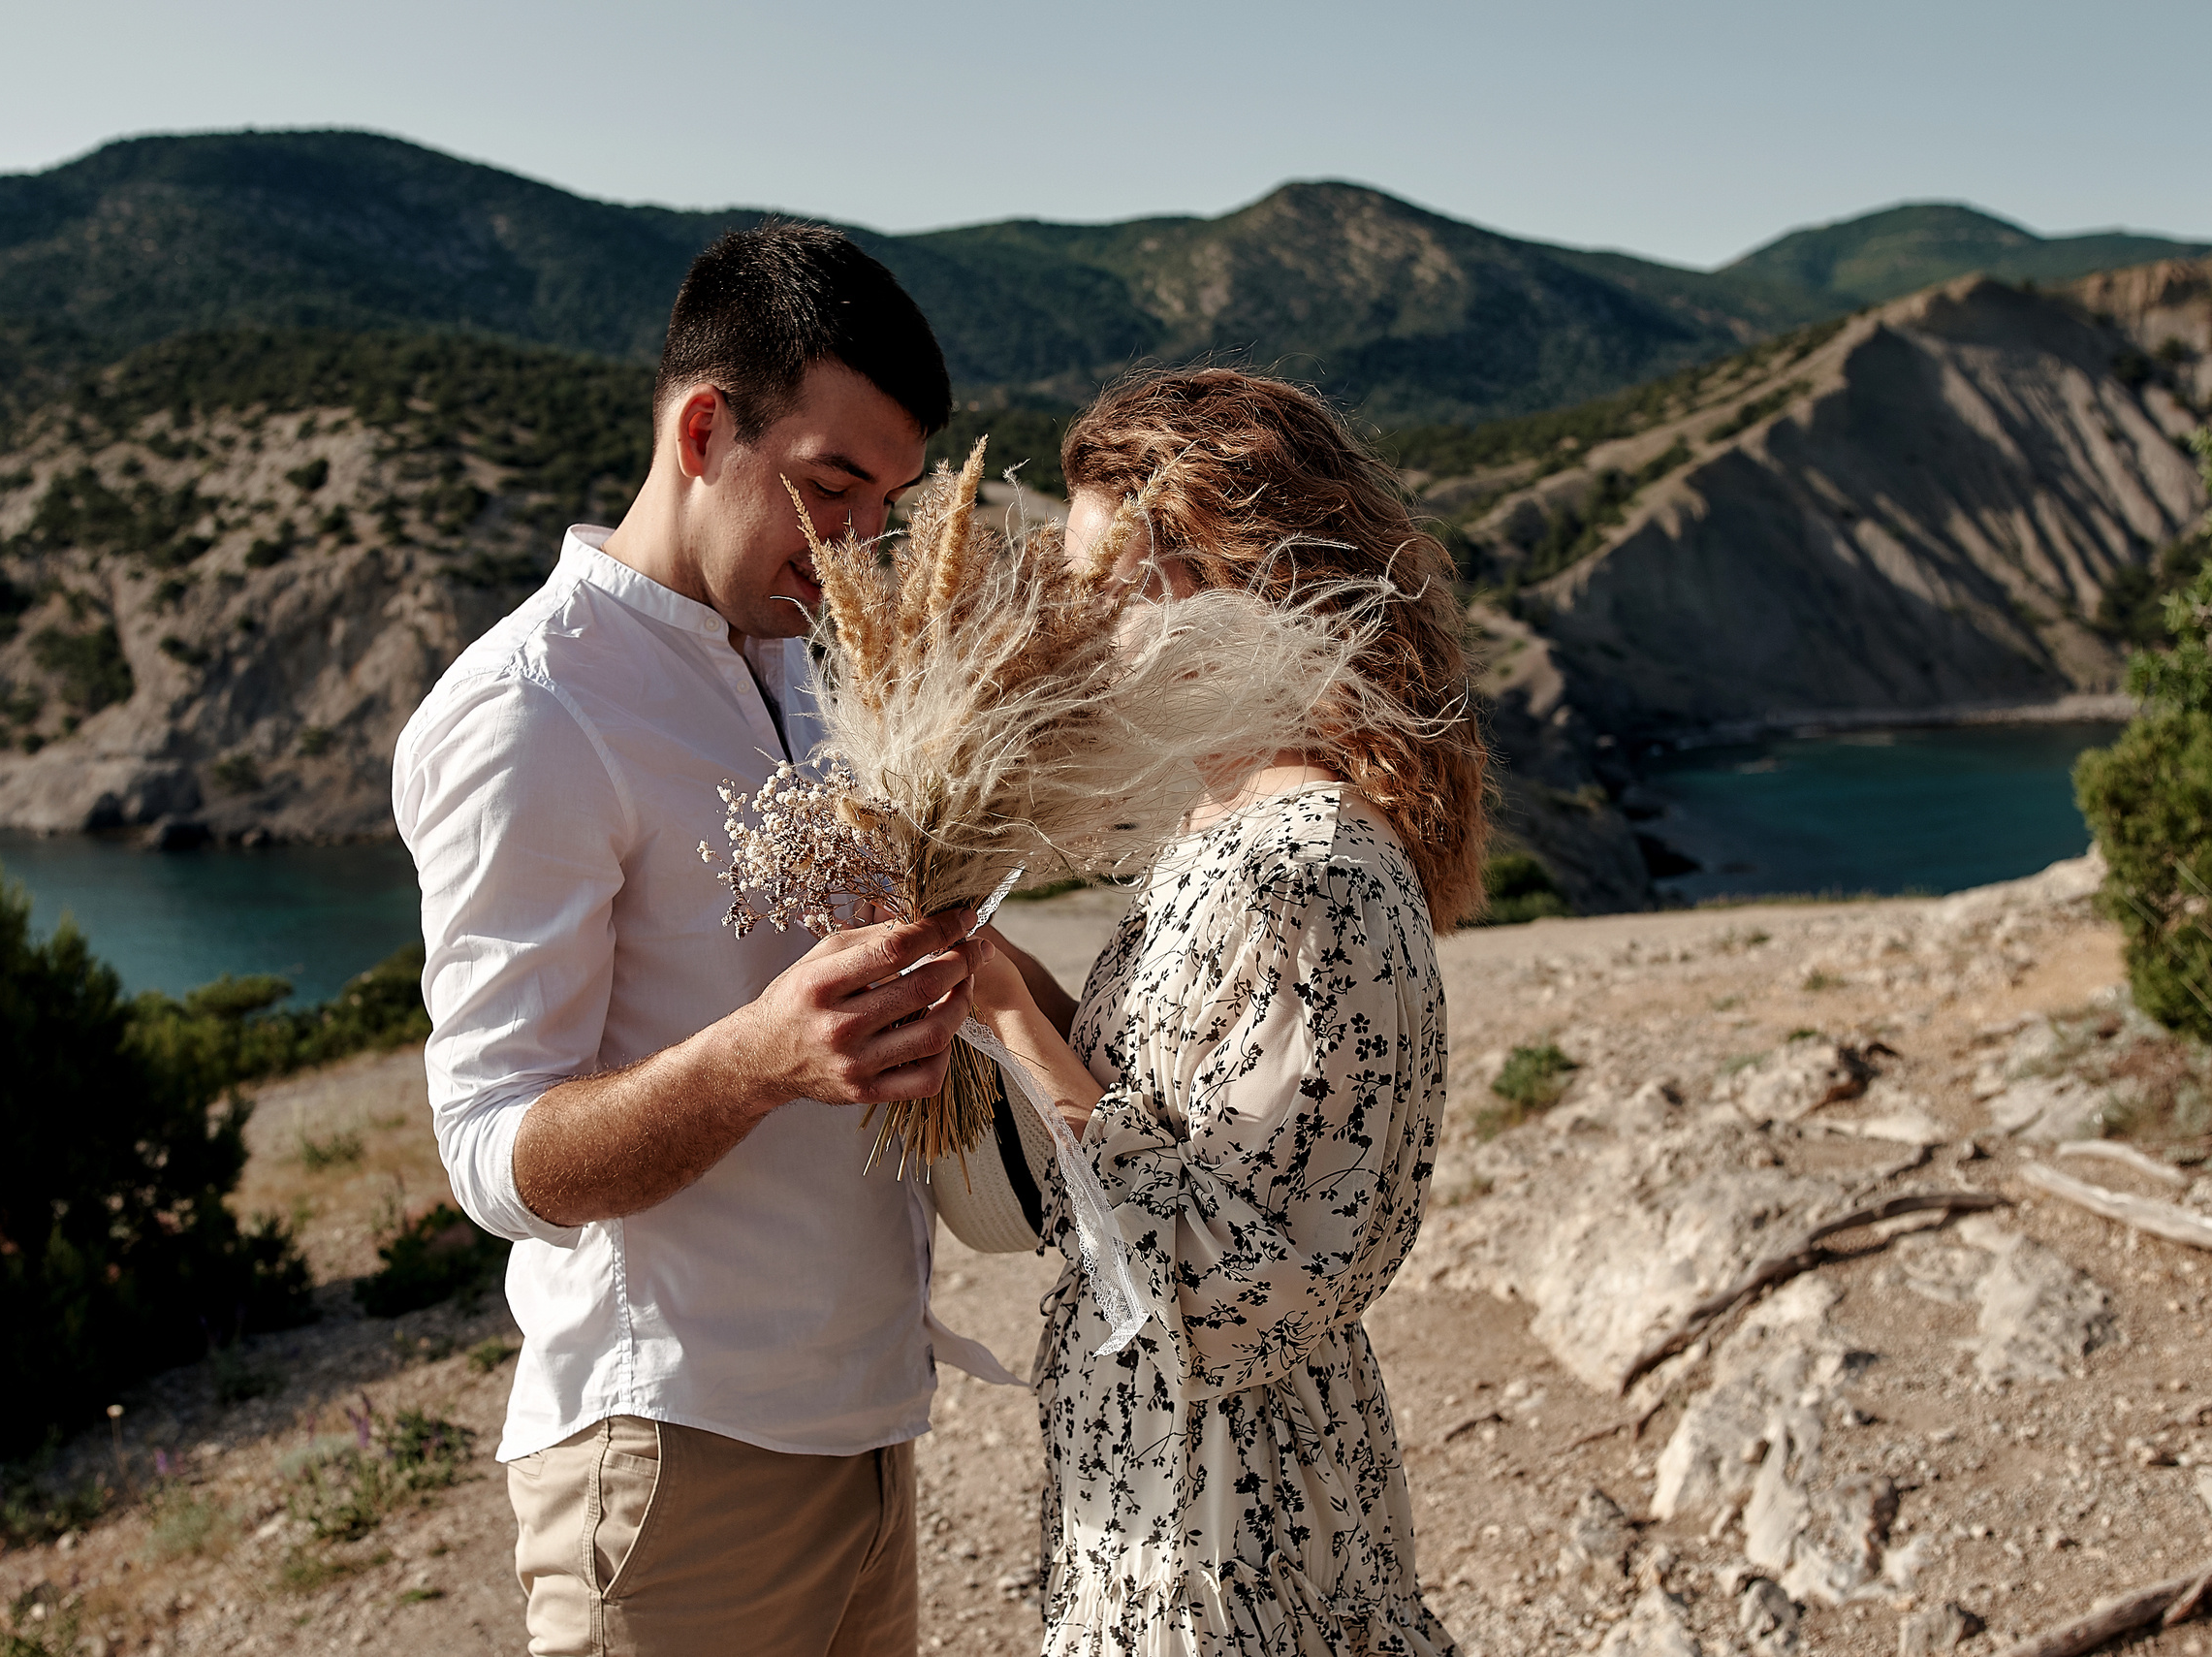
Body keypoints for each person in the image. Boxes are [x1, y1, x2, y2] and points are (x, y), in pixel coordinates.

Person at [393, 221, 988, 1657]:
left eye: (887, 503)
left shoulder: (804, 667)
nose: (860, 550)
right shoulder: (533, 710)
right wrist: (757, 1059)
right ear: (704, 429)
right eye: (831, 487)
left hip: (863, 1432)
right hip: (674, 1456)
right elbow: (491, 1155)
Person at [967, 369, 1486, 1656]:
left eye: (1109, 592)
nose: (1079, 635)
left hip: (1232, 1543)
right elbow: (1142, 1114)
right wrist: (981, 963)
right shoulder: (1228, 829)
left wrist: (1006, 1016)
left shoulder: (1307, 874)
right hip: (1162, 1501)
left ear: (1231, 579)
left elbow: (1230, 1294)